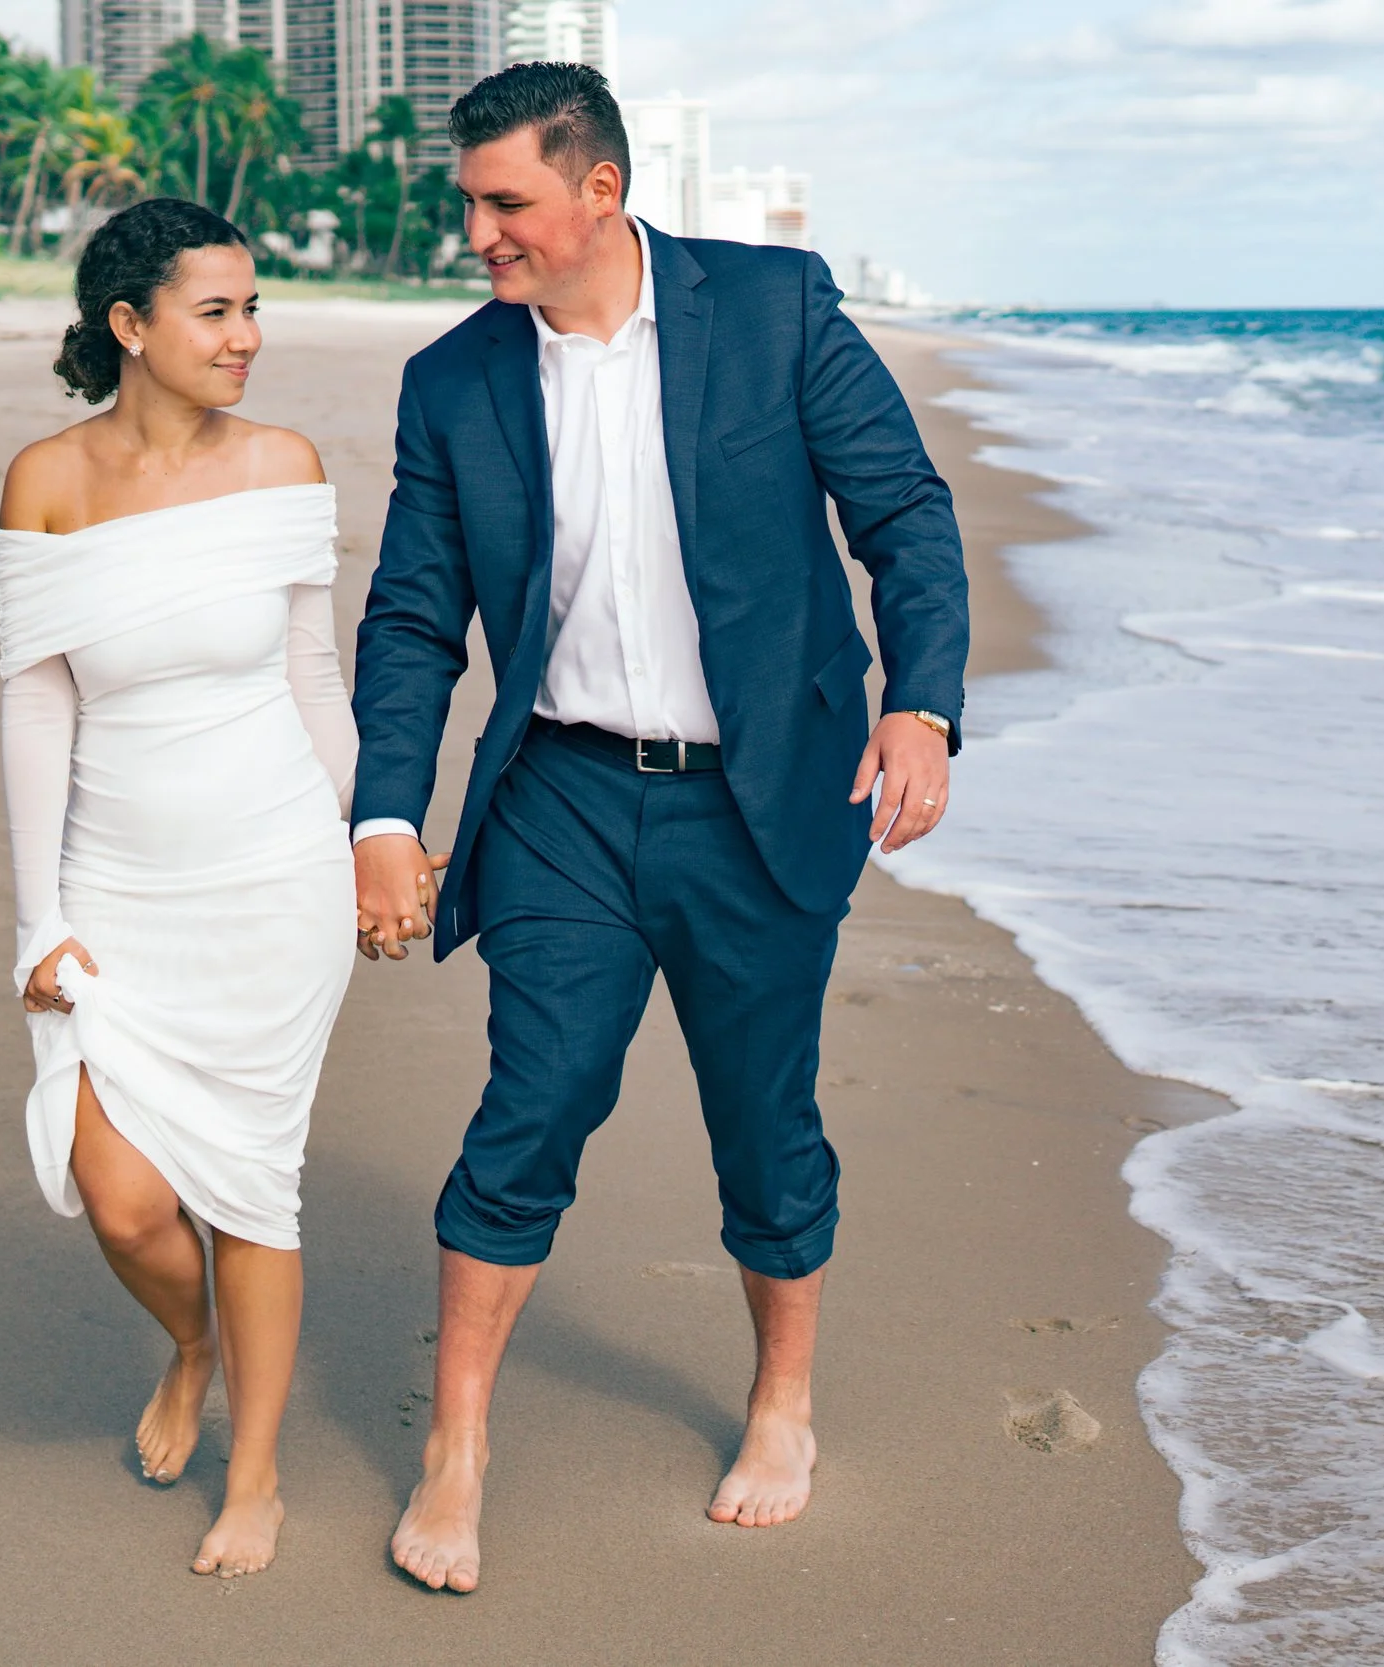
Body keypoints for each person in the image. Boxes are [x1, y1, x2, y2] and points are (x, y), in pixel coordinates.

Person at [350, 62, 968, 1592]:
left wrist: (922, 705)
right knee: (533, 1102)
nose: (478, 233)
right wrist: (381, 810)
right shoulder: (453, 380)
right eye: (471, 203)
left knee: (765, 1122)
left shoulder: (774, 312)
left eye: (506, 202)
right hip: (559, 795)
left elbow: (904, 515)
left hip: (761, 801)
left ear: (600, 192)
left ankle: (783, 1405)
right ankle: (459, 1443)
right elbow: (416, 617)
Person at [0, 198, 357, 1580]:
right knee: (126, 1197)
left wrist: (359, 837)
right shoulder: (46, 480)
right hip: (118, 890)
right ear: (130, 326)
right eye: (218, 312)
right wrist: (44, 916)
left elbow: (312, 680)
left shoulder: (283, 464)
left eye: (254, 308)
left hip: (275, 877)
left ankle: (254, 1471)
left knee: (257, 1192)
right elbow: (37, 710)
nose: (247, 337)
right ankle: (191, 1342)